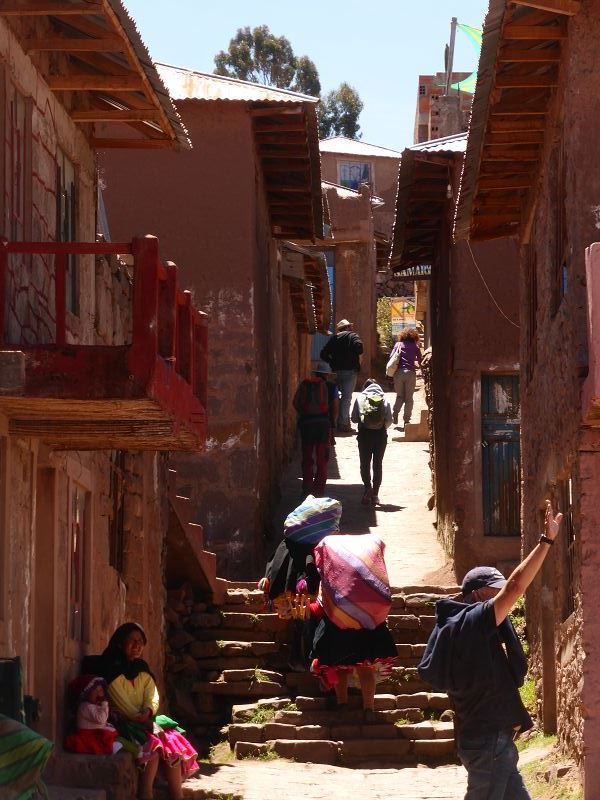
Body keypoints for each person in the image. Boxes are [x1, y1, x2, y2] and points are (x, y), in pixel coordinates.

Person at [418, 500, 564, 800]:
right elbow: (515, 588)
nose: (502, 598)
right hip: (488, 743)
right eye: (495, 591)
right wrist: (546, 542)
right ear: (480, 594)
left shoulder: (460, 629)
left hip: (491, 742)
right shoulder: (471, 623)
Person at [98, 622, 198, 800]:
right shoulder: (111, 667)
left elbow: (152, 694)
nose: (137, 645)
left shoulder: (141, 669)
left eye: (140, 641)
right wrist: (137, 717)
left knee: (171, 740)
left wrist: (148, 711)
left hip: (144, 718)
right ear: (121, 643)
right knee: (152, 745)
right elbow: (119, 699)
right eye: (132, 641)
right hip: (122, 722)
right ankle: (146, 794)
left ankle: (177, 794)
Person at [309, 528, 397, 718]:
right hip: (368, 622)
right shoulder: (366, 562)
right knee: (365, 668)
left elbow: (323, 592)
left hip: (338, 622)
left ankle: (342, 703)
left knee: (340, 668)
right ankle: (368, 709)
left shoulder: (330, 559)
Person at [293, 361, 338, 498]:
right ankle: (318, 491)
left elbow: (295, 403)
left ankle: (307, 488)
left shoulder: (305, 384)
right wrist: (333, 423)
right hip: (324, 425)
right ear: (327, 375)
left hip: (307, 424)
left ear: (316, 373)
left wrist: (304, 414)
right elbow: (335, 407)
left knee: (307, 457)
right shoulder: (332, 387)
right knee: (321, 459)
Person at [351, 378, 393, 506]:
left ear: (365, 387)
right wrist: (381, 426)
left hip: (364, 435)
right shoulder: (384, 398)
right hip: (380, 436)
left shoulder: (360, 398)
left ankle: (367, 488)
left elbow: (353, 419)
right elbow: (389, 420)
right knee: (377, 464)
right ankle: (375, 495)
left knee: (365, 463)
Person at [320, 319, 363, 432]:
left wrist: (332, 362)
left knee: (336, 396)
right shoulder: (352, 336)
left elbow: (323, 354)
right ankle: (343, 424)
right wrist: (356, 361)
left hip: (336, 372)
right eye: (350, 326)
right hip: (350, 371)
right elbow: (359, 347)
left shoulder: (334, 338)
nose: (351, 328)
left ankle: (334, 421)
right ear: (348, 328)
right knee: (346, 397)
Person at [64, 674, 121, 755]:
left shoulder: (93, 705)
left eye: (101, 691)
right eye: (96, 691)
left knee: (118, 739)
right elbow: (101, 719)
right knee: (114, 743)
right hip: (89, 736)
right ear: (86, 694)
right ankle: (137, 753)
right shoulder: (85, 707)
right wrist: (104, 703)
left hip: (95, 733)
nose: (99, 694)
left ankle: (137, 752)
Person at [389, 328, 422, 428]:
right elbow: (420, 360)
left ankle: (395, 414)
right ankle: (406, 420)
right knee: (409, 398)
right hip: (410, 373)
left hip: (398, 373)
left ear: (403, 336)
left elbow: (391, 357)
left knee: (400, 396)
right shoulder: (415, 346)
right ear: (414, 337)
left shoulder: (398, 345)